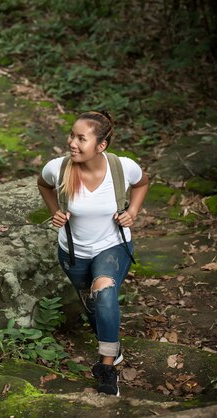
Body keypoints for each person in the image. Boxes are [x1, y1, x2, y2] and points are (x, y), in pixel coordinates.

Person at [37, 110, 149, 396]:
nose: (72, 143)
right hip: (73, 252)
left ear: (101, 145)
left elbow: (142, 183)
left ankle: (107, 367)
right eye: (72, 135)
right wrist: (55, 213)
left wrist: (132, 212)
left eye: (81, 139)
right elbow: (43, 185)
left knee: (105, 291)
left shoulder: (122, 168)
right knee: (91, 305)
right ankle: (112, 342)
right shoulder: (58, 168)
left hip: (113, 246)